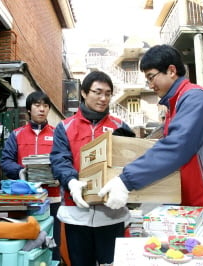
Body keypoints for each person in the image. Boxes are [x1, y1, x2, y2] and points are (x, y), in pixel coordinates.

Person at [99, 44, 203, 237]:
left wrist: (126, 180)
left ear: (171, 70)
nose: (150, 85)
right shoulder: (175, 106)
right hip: (201, 213)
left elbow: (176, 147)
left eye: (151, 77)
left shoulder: (195, 98)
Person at [50, 71, 133, 266]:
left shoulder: (120, 126)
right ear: (84, 93)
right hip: (76, 213)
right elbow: (59, 160)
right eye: (97, 92)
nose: (103, 98)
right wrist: (71, 181)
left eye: (108, 93)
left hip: (111, 214)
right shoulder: (65, 127)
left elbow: (131, 160)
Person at [0, 91, 61, 260]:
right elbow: (5, 161)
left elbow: (65, 161)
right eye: (37, 105)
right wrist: (22, 172)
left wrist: (58, 175)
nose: (42, 109)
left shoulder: (58, 134)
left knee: (52, 243)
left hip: (52, 199)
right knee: (26, 244)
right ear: (29, 109)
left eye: (45, 106)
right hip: (25, 200)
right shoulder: (17, 134)